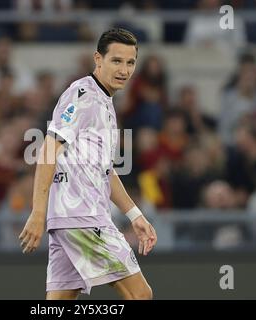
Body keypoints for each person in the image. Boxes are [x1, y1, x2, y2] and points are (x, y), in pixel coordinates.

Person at [19, 28, 157, 300]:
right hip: (83, 219)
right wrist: (37, 212)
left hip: (68, 222)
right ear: (98, 59)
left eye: (130, 63)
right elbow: (48, 150)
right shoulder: (83, 95)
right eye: (116, 61)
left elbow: (104, 171)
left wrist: (134, 215)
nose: (124, 70)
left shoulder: (104, 102)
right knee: (140, 295)